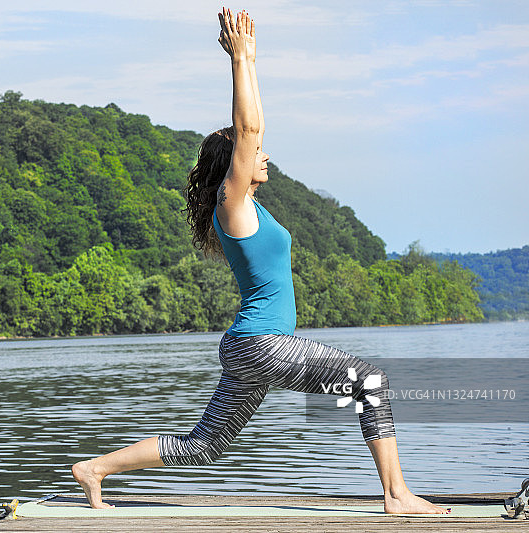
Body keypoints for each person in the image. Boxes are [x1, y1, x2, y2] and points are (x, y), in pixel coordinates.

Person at [72, 7, 451, 515]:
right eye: (253, 153)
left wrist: (249, 60)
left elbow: (250, 134)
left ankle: (93, 469)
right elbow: (248, 126)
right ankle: (397, 494)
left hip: (250, 347)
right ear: (235, 165)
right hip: (262, 343)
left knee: (205, 445)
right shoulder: (231, 203)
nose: (263, 154)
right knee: (369, 381)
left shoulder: (248, 207)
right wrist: (242, 59)